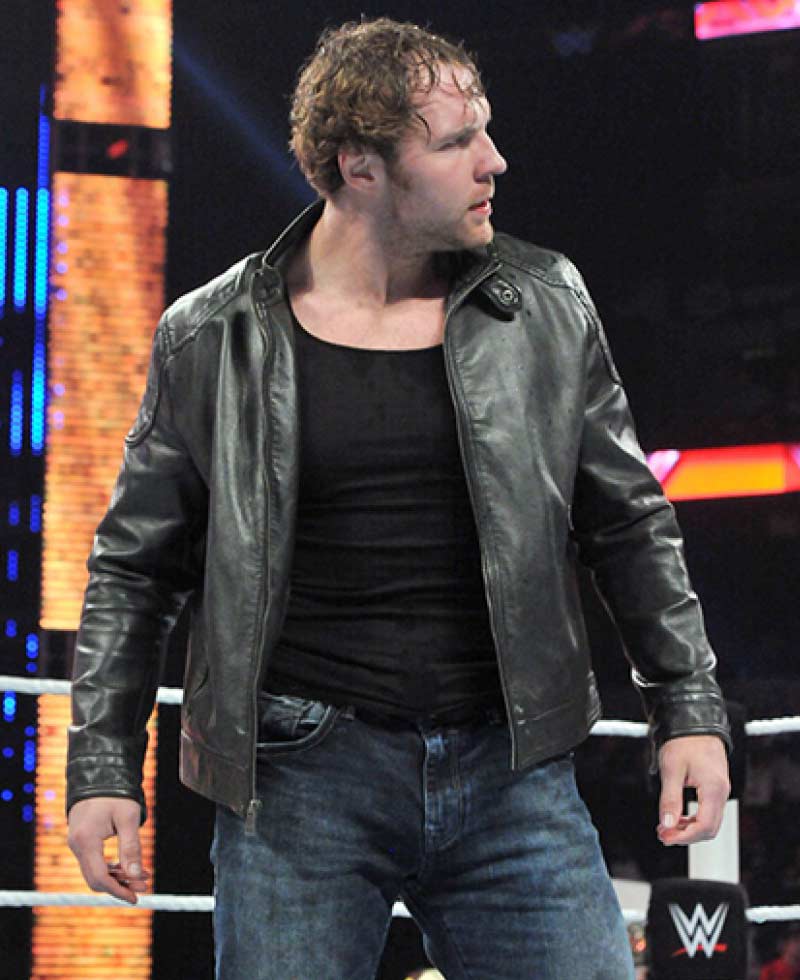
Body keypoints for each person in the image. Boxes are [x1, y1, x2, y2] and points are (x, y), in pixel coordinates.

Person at [66, 17, 732, 980]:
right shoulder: (213, 337)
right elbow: (134, 569)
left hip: (512, 772)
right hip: (301, 781)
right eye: (456, 142)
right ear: (361, 168)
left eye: (484, 131)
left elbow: (629, 524)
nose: (494, 162)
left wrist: (691, 711)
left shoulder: (544, 304)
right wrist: (101, 768)